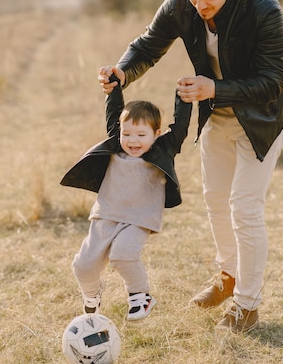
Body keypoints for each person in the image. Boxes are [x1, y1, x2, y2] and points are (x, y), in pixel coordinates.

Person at [97, 0, 283, 332]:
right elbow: (148, 45)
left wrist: (213, 87)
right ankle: (228, 275)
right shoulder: (182, 4)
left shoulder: (264, 9)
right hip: (215, 115)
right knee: (216, 201)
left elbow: (273, 82)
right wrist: (122, 71)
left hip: (262, 121)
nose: (200, 5)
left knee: (244, 208)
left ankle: (248, 305)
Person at [60, 75, 192, 321]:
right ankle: (93, 293)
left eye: (141, 135)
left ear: (156, 134)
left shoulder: (163, 149)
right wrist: (114, 86)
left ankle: (140, 296)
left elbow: (181, 127)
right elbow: (113, 113)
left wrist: (183, 98)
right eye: (127, 133)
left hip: (139, 219)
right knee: (83, 266)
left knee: (123, 254)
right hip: (106, 214)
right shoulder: (116, 144)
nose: (133, 141)